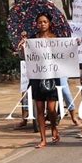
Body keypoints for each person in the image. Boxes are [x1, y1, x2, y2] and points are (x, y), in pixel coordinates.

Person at [18, 12, 61, 148]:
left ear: (49, 23)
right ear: (36, 24)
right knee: (40, 108)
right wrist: (23, 46)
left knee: (51, 109)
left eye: (45, 22)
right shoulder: (32, 39)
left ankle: (54, 126)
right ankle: (43, 139)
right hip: (37, 77)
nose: (42, 24)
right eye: (40, 22)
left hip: (52, 77)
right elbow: (25, 57)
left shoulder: (56, 39)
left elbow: (65, 55)